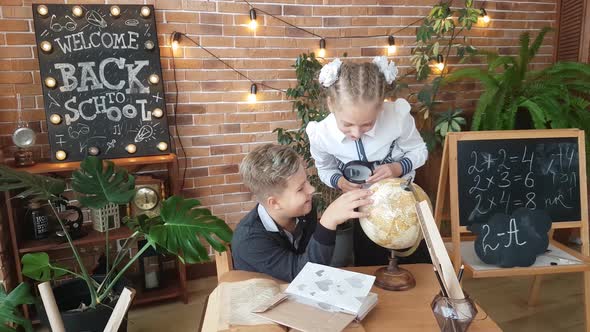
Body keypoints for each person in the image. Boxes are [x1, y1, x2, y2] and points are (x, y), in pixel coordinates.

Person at [306, 56, 430, 266]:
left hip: (405, 204)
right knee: (370, 264)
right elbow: (325, 168)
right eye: (347, 125)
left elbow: (420, 151)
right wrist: (339, 181)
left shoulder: (397, 117)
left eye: (367, 124)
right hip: (364, 210)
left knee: (417, 264)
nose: (356, 133)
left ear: (381, 106)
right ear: (331, 104)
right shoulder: (321, 134)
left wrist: (398, 167)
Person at [231, 144, 373, 281]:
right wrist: (327, 222)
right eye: (300, 189)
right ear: (274, 203)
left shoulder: (305, 211)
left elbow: (309, 261)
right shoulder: (249, 241)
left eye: (307, 181)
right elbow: (304, 275)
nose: (311, 190)